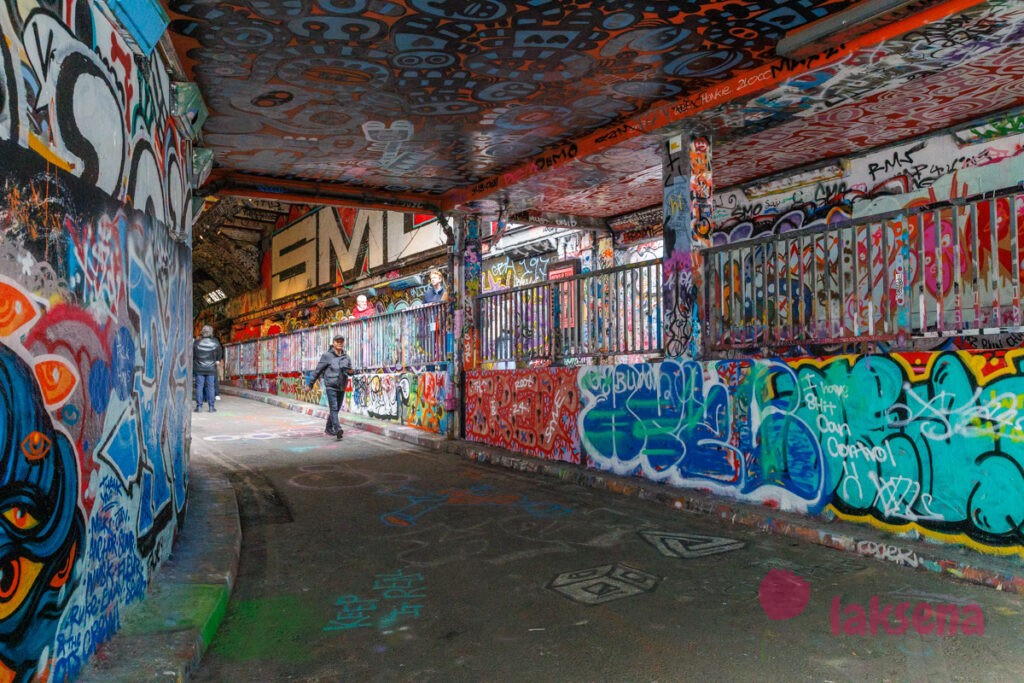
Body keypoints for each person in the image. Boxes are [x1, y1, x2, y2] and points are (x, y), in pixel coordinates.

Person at [307, 335, 354, 440]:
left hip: (342, 386)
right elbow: (317, 370)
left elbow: (350, 371)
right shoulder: (327, 356)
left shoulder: (346, 357)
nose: (339, 343)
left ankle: (328, 428)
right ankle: (337, 429)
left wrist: (352, 372)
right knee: (333, 407)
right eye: (337, 341)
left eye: (341, 341)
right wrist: (310, 384)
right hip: (331, 386)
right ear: (333, 343)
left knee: (336, 409)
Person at [193, 325, 223, 413]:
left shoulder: (197, 343)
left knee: (199, 387)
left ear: (202, 332)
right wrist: (216, 360)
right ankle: (211, 407)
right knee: (211, 387)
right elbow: (219, 354)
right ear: (211, 332)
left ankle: (199, 407)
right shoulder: (215, 342)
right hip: (211, 368)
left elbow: (193, 356)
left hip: (199, 368)